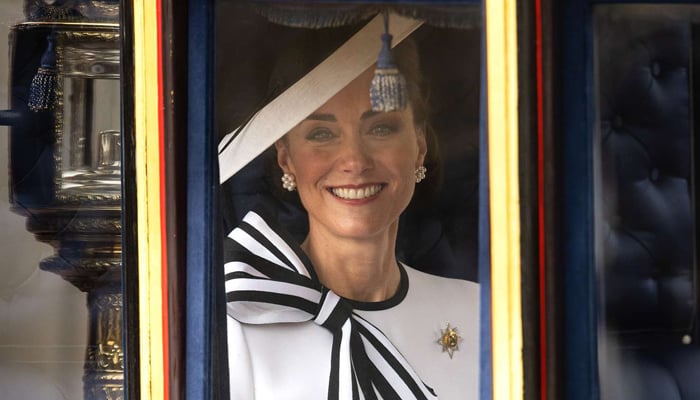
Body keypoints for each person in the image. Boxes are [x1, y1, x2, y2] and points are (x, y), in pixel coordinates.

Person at [221, 14, 479, 400]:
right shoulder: (234, 324)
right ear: (286, 158)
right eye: (322, 134)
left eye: (381, 128)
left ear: (419, 145)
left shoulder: (481, 313)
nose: (354, 161)